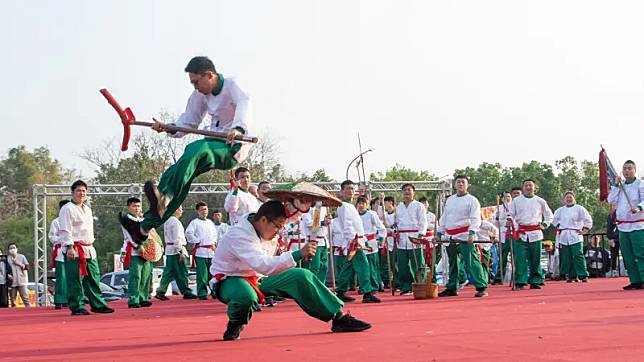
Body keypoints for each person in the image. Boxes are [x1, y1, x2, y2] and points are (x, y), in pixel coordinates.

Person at [119, 56, 253, 244]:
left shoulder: (232, 85)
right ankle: (143, 228)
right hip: (213, 141)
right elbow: (189, 121)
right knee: (176, 173)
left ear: (209, 75)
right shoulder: (199, 95)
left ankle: (165, 198)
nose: (195, 87)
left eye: (196, 82)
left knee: (195, 149)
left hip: (232, 147)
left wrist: (238, 127)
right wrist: (169, 127)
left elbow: (244, 102)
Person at [210, 200, 371, 340]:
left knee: (302, 275)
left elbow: (292, 217)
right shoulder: (240, 235)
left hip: (259, 278)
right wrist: (298, 254)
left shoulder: (263, 220)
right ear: (264, 220)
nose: (279, 232)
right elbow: (263, 264)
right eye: (277, 227)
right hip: (230, 280)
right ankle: (235, 325)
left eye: (282, 227)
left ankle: (339, 318)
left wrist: (303, 205)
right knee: (246, 296)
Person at [59, 180, 114, 315]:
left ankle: (97, 304)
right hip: (75, 248)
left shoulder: (87, 209)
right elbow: (66, 229)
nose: (81, 193)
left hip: (88, 247)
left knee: (93, 277)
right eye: (78, 191)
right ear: (72, 193)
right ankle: (77, 306)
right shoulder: (67, 208)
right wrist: (69, 247)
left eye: (84, 191)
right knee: (75, 279)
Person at [436, 176, 489, 298]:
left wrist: (472, 233)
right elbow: (445, 217)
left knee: (472, 261)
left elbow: (476, 218)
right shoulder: (450, 200)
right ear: (455, 185)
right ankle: (452, 287)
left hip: (465, 235)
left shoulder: (472, 200)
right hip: (450, 235)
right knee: (452, 263)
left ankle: (481, 286)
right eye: (458, 182)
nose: (460, 184)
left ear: (467, 185)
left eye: (463, 182)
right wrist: (439, 232)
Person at [334, 180, 380, 303]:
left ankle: (340, 291)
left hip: (355, 240)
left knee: (348, 267)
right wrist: (354, 241)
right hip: (353, 241)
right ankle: (367, 293)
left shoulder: (349, 206)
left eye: (352, 189)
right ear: (342, 191)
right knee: (363, 265)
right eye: (348, 188)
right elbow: (347, 226)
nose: (350, 191)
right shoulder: (343, 206)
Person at [508, 179, 554, 290]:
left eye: (530, 185)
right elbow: (511, 214)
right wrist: (512, 224)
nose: (528, 187)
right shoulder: (516, 201)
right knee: (520, 258)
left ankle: (536, 280)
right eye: (526, 185)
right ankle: (520, 281)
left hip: (535, 233)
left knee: (536, 258)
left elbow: (549, 215)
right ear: (523, 188)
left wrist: (545, 224)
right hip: (520, 233)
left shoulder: (540, 201)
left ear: (535, 187)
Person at [607, 160, 644, 290]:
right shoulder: (620, 186)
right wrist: (616, 186)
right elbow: (611, 200)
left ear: (634, 170)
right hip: (623, 226)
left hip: (637, 225)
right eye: (624, 169)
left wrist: (639, 208)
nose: (626, 171)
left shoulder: (640, 184)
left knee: (640, 253)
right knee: (627, 254)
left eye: (629, 168)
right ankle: (635, 280)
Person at [155, 206, 197, 301]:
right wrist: (181, 251)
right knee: (182, 272)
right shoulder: (175, 222)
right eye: (180, 209)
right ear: (176, 210)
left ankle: (161, 290)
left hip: (170, 249)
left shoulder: (168, 220)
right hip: (176, 249)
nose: (182, 211)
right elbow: (177, 238)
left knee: (169, 272)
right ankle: (186, 291)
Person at [120, 197, 154, 308]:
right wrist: (138, 246)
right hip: (135, 251)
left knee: (145, 275)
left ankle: (143, 297)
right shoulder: (127, 219)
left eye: (138, 206)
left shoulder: (142, 220)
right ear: (129, 207)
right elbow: (129, 236)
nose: (137, 208)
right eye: (134, 206)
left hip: (146, 251)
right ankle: (133, 299)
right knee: (136, 276)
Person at [395, 184, 428, 296]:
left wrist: (420, 236)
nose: (407, 192)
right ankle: (406, 286)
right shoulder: (399, 207)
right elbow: (397, 222)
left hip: (414, 235)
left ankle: (420, 284)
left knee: (417, 262)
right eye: (404, 190)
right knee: (402, 264)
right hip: (402, 237)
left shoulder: (419, 206)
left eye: (409, 190)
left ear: (414, 192)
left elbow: (423, 222)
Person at [553, 191, 592, 282]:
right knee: (567, 256)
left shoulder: (579, 208)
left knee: (577, 255)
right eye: (567, 197)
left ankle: (583, 275)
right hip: (564, 235)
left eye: (570, 197)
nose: (569, 199)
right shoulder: (560, 210)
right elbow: (553, 219)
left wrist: (585, 229)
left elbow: (588, 219)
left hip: (575, 234)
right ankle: (571, 275)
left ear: (574, 198)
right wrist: (559, 226)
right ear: (564, 199)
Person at [186, 201, 218, 300]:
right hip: (201, 251)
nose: (204, 211)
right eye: (202, 210)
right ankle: (202, 293)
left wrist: (214, 244)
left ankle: (215, 292)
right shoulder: (194, 222)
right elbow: (188, 233)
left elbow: (215, 235)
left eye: (206, 209)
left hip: (211, 251)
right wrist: (197, 241)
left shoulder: (210, 222)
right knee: (202, 274)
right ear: (198, 211)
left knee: (212, 273)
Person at [358, 197, 387, 292]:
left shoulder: (371, 214)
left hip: (371, 243)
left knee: (372, 266)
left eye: (363, 203)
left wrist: (381, 238)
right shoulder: (354, 215)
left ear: (367, 205)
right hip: (359, 243)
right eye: (359, 203)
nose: (361, 205)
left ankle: (374, 286)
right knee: (362, 267)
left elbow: (381, 228)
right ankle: (364, 287)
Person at [301, 203, 331, 283]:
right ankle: (312, 285)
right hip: (314, 240)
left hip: (323, 241)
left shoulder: (324, 208)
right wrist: (322, 222)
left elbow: (325, 224)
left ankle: (321, 285)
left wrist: (328, 220)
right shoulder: (307, 208)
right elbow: (308, 223)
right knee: (315, 266)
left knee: (324, 266)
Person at [49, 199, 70, 309]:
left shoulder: (74, 221)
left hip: (73, 252)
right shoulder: (56, 222)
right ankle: (59, 300)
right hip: (61, 253)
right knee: (61, 277)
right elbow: (52, 237)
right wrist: (64, 239)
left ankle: (69, 299)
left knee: (71, 277)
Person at [7, 243, 30, 308]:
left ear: (17, 249)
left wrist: (19, 263)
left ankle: (29, 310)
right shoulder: (7, 258)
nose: (12, 249)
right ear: (8, 250)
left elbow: (27, 267)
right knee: (12, 300)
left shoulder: (22, 256)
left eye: (14, 248)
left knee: (25, 298)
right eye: (11, 248)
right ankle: (13, 313)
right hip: (12, 282)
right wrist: (8, 276)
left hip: (21, 281)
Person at [606, 205, 620, 277]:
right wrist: (609, 238)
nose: (613, 207)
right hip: (613, 238)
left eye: (614, 205)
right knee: (613, 254)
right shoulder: (610, 216)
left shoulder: (620, 213)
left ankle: (628, 270)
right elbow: (609, 228)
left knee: (625, 253)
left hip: (621, 236)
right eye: (611, 206)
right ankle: (614, 270)